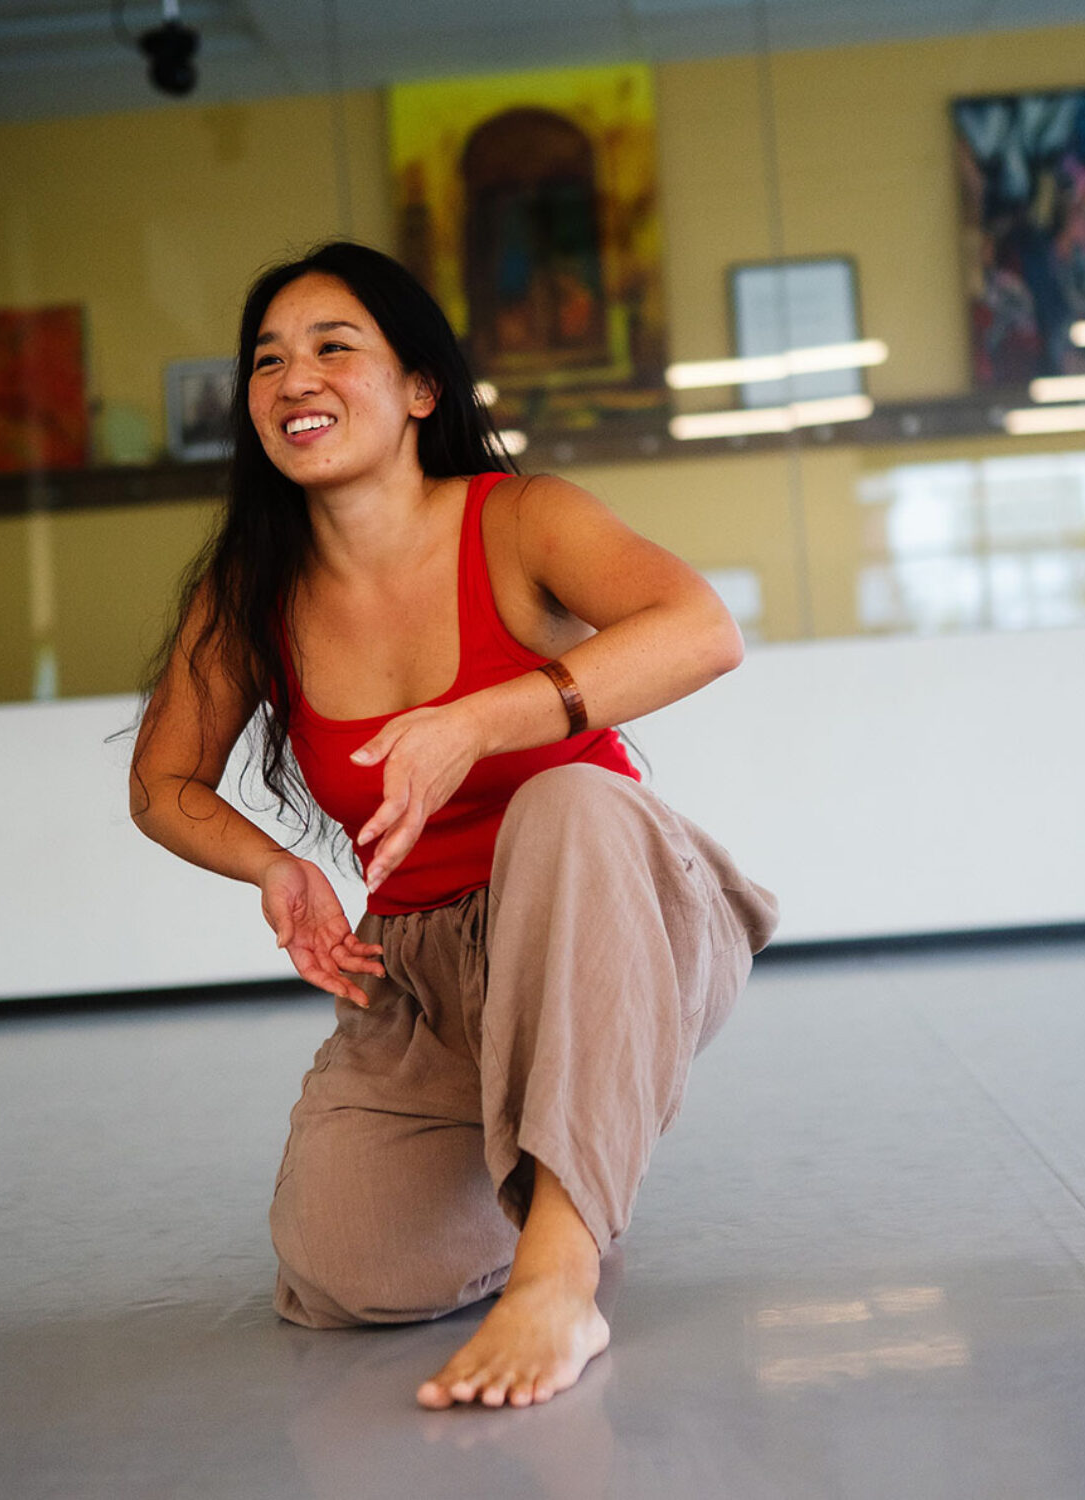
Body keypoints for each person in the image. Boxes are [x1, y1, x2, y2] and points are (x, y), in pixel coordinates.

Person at [130, 241, 778, 1411]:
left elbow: (703, 629)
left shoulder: (521, 519)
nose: (293, 379)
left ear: (421, 387)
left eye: (333, 347)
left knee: (562, 801)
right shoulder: (249, 590)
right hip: (425, 971)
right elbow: (162, 782)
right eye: (266, 361)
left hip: (609, 909)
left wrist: (483, 720)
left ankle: (561, 1277)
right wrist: (274, 867)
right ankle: (562, 1154)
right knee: (345, 1269)